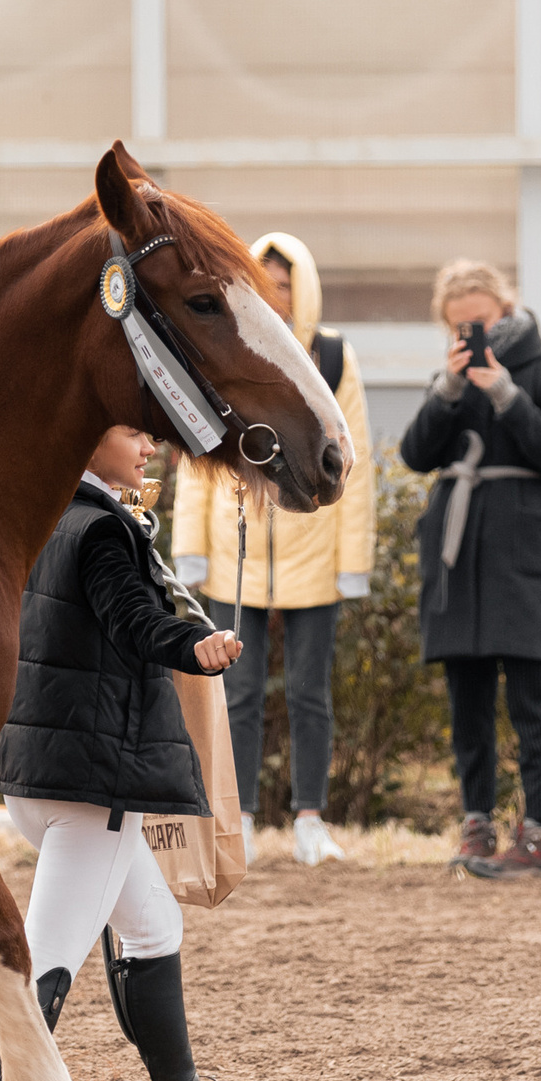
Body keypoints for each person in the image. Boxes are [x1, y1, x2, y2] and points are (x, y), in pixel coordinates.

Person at [0, 425, 288, 1081]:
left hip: (41, 774)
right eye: (132, 431)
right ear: (86, 440)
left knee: (152, 926)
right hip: (91, 788)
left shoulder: (47, 511)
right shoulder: (102, 527)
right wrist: (192, 646)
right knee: (45, 959)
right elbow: (130, 619)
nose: (149, 444)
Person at [170, 231, 375, 865]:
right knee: (239, 691)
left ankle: (311, 819)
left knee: (311, 693)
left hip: (315, 551)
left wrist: (353, 561)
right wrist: (190, 547)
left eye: (285, 284)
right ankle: (241, 817)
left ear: (303, 289)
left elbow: (356, 458)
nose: (276, 294)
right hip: (236, 554)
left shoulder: (332, 356)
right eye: (265, 283)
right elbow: (203, 449)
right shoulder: (226, 343)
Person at [398, 258, 541, 879]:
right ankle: (476, 822)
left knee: (533, 693)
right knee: (468, 696)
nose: (470, 336)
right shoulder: (448, 384)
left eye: (479, 322)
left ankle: (538, 832)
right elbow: (415, 455)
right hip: (460, 556)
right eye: (459, 328)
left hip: (525, 549)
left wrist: (507, 394)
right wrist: (449, 393)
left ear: (505, 310)